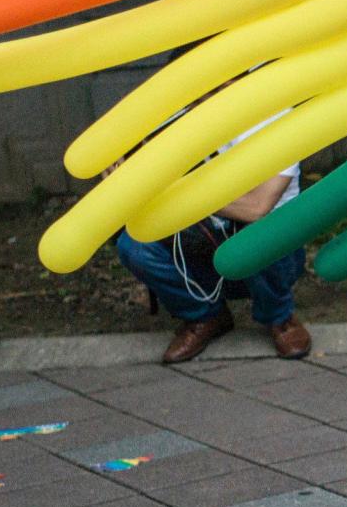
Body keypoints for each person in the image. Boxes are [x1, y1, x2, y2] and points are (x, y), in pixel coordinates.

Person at [111, 145, 313, 363]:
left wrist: (181, 194)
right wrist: (125, 177)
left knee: (260, 237)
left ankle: (280, 318)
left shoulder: (278, 127)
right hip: (206, 239)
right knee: (135, 247)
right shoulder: (186, 119)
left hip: (268, 256)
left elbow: (256, 208)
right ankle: (204, 316)